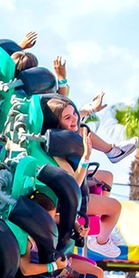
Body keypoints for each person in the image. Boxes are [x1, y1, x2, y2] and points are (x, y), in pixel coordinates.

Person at [42, 107, 123, 259]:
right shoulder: (56, 150)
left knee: (106, 176)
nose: (74, 119)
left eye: (74, 114)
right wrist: (86, 157)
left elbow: (77, 116)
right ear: (57, 124)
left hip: (79, 183)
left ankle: (100, 225)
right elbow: (73, 184)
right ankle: (101, 241)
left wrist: (92, 108)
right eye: (68, 118)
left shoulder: (65, 135)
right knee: (115, 207)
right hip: (67, 200)